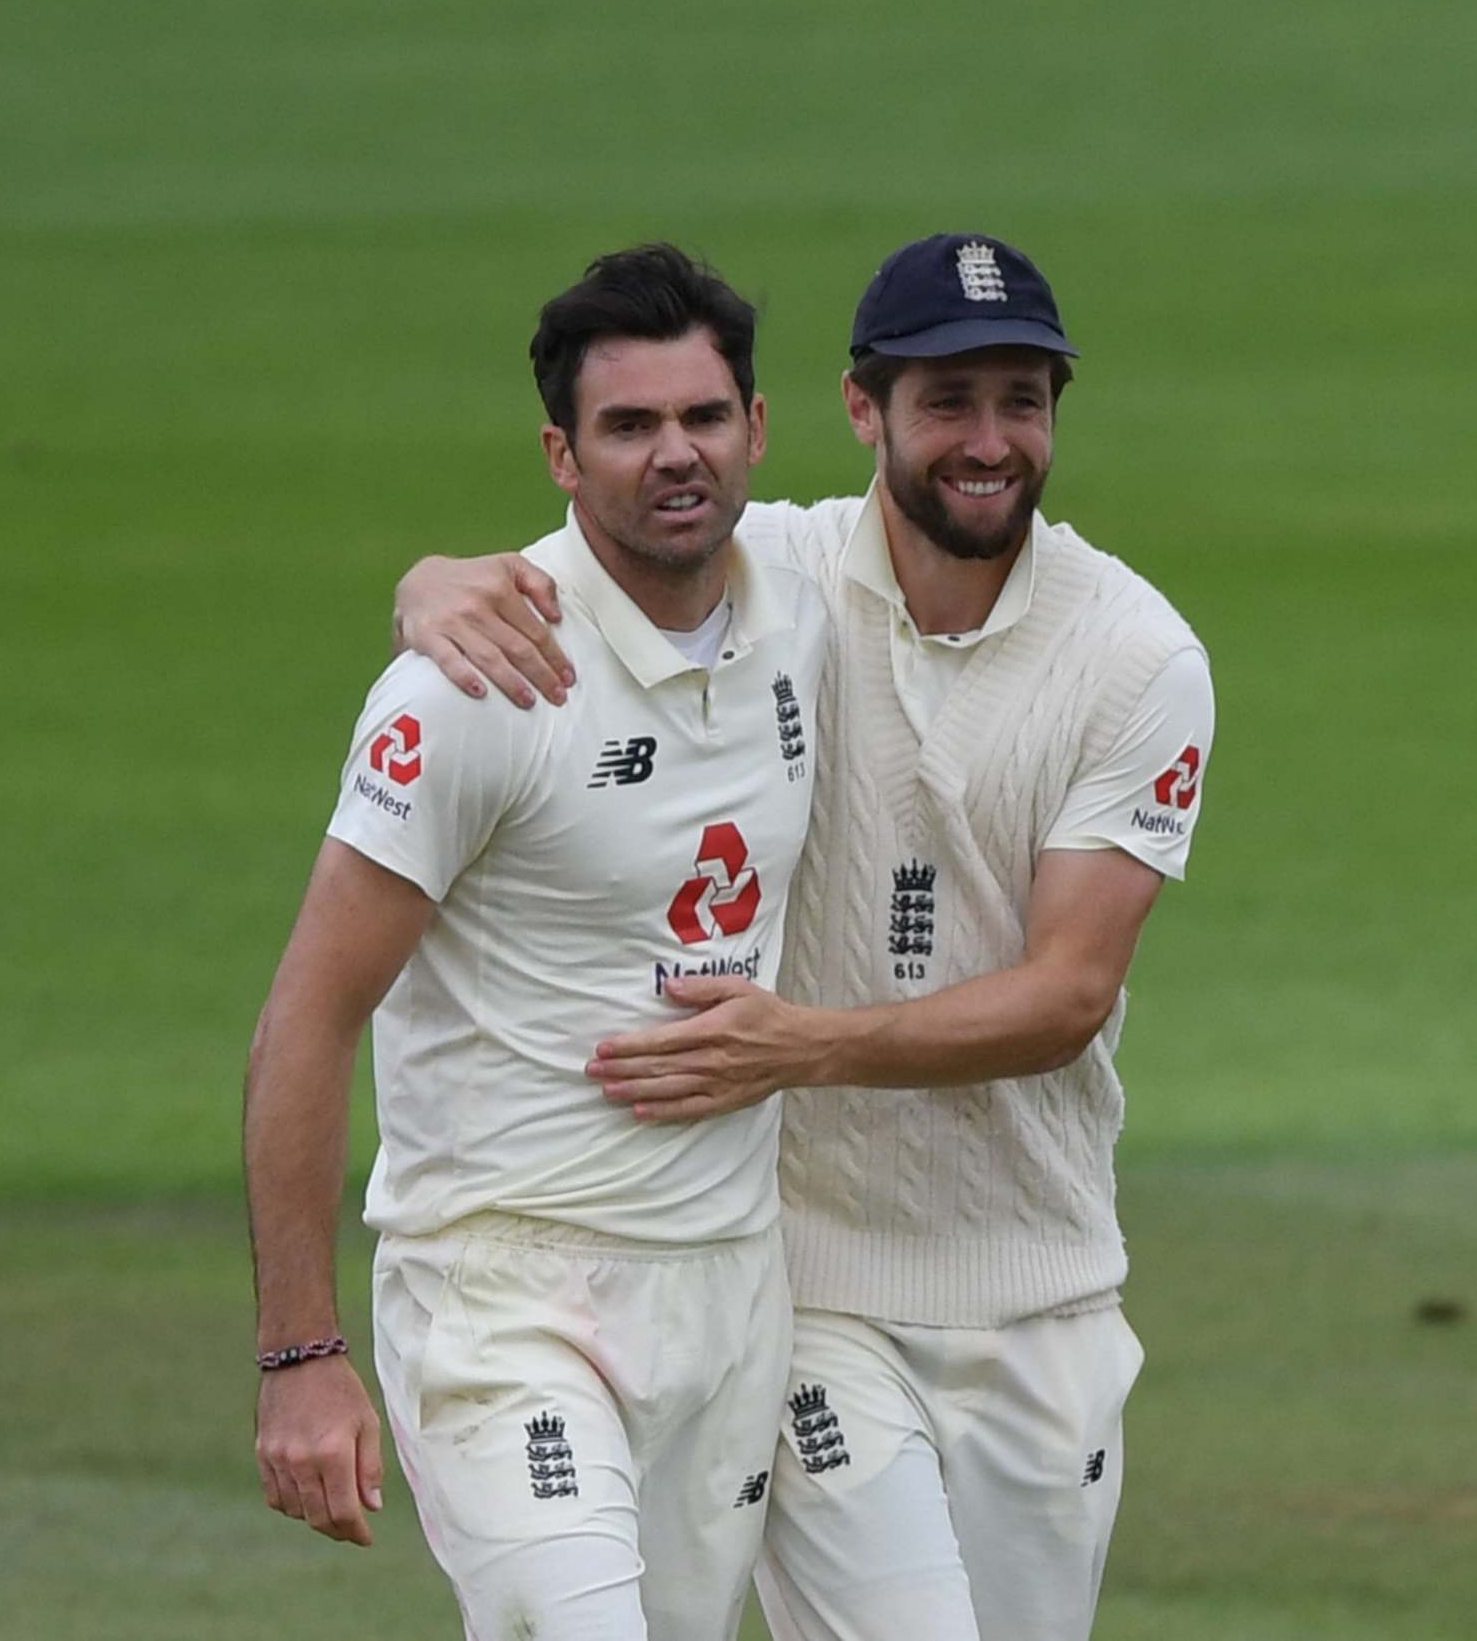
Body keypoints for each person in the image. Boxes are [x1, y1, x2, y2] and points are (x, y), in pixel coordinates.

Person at [394, 233, 1217, 1641]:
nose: (988, 440)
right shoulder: (770, 574)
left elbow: (1068, 996)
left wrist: (800, 1049)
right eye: (946, 402)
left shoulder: (1135, 654)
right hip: (814, 1289)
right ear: (860, 411)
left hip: (1045, 1284)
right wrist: (426, 581)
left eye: (1020, 400)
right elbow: (560, 583)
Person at [244, 243, 830, 1641]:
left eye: (701, 418)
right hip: (505, 1293)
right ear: (562, 458)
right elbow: (306, 1020)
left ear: (757, 429)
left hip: (729, 1290)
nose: (672, 456)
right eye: (628, 427)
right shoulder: (475, 682)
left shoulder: (809, 596)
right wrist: (299, 1354)